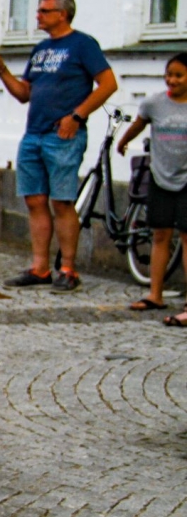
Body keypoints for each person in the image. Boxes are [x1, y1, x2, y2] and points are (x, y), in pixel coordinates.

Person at [0, 0, 117, 293]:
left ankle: (68, 269)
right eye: (38, 10)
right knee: (34, 200)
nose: (38, 16)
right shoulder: (41, 49)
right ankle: (40, 268)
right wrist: (2, 71)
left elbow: (108, 84)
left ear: (62, 14)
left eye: (44, 11)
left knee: (62, 201)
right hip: (34, 133)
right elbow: (24, 93)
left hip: (63, 135)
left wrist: (77, 116)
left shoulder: (82, 44)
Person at [116, 52, 187, 322]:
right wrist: (123, 141)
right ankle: (155, 294)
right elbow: (139, 124)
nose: (172, 80)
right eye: (169, 75)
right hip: (160, 177)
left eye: (179, 75)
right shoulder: (154, 104)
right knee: (160, 235)